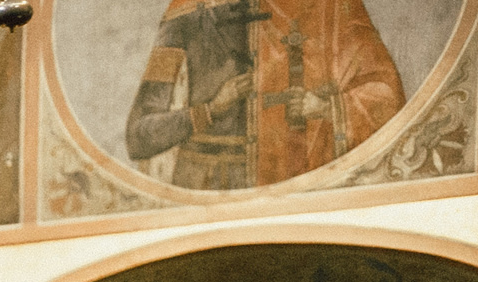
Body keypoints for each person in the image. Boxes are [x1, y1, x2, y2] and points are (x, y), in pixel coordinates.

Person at [122, 0, 403, 189]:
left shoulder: (328, 7)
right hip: (205, 189)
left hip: (297, 188)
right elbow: (138, 137)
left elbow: (385, 96)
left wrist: (327, 108)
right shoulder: (186, 13)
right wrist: (210, 109)